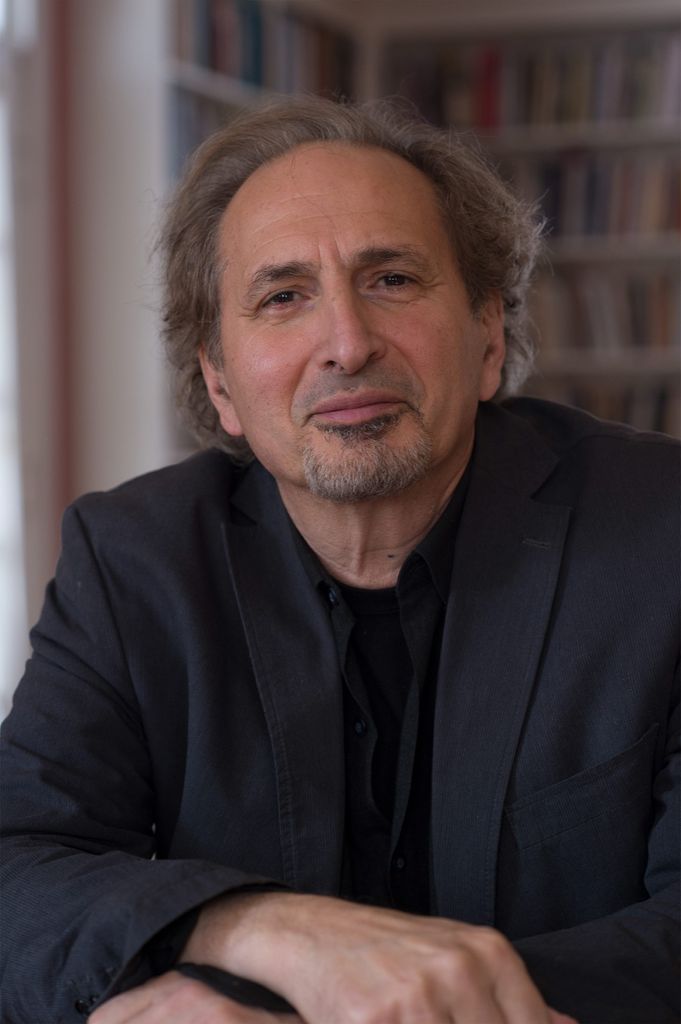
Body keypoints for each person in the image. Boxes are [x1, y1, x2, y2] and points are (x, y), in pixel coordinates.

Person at [0, 96, 678, 1024]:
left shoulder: (662, 534)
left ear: (487, 335)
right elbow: (17, 864)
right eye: (283, 297)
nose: (347, 344)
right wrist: (257, 931)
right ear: (220, 383)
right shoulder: (130, 565)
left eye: (392, 279)